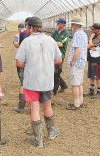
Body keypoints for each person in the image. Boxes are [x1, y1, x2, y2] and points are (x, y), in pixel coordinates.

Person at [16, 16, 62, 147]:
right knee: (47, 106)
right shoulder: (50, 40)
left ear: (30, 28)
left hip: (32, 81)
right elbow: (58, 60)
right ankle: (51, 132)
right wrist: (46, 62)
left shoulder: (26, 42)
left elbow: (20, 63)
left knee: (34, 110)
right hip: (47, 81)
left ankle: (38, 139)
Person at [66, 16, 88, 110]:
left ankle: (76, 105)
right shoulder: (83, 34)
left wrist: (72, 62)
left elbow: (77, 50)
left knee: (75, 84)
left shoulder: (77, 35)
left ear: (75, 25)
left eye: (72, 24)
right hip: (82, 62)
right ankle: (80, 102)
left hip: (76, 62)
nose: (71, 26)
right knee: (79, 83)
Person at [84, 23, 100, 98]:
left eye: (93, 29)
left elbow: (89, 45)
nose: (91, 30)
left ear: (97, 30)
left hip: (97, 59)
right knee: (91, 75)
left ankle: (99, 91)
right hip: (91, 58)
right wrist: (90, 46)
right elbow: (87, 45)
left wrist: (91, 40)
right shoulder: (94, 36)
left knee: (98, 76)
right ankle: (91, 90)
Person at [51, 18, 70, 95]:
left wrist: (54, 43)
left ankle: (54, 91)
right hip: (53, 54)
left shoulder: (66, 33)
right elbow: (51, 41)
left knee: (56, 72)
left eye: (58, 23)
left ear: (62, 24)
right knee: (54, 72)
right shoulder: (55, 32)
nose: (57, 25)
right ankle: (63, 85)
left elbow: (61, 44)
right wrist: (56, 43)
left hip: (60, 55)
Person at [13, 23, 26, 113]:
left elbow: (18, 44)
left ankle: (21, 106)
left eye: (22, 28)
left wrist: (21, 45)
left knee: (23, 83)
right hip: (19, 57)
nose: (21, 29)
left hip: (22, 58)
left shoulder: (25, 35)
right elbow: (15, 44)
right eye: (19, 28)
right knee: (20, 73)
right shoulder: (16, 36)